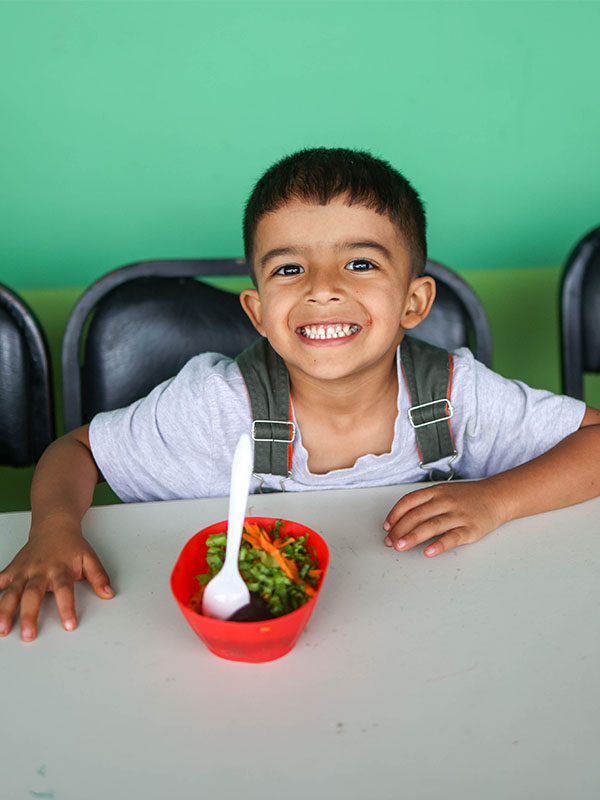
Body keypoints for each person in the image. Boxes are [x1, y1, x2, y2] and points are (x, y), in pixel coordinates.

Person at [1, 147, 599, 642]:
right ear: (258, 312)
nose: (322, 289)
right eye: (290, 269)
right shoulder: (218, 404)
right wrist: (53, 528)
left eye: (360, 263)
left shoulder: (454, 396)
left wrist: (494, 499)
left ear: (413, 303)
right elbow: (79, 452)